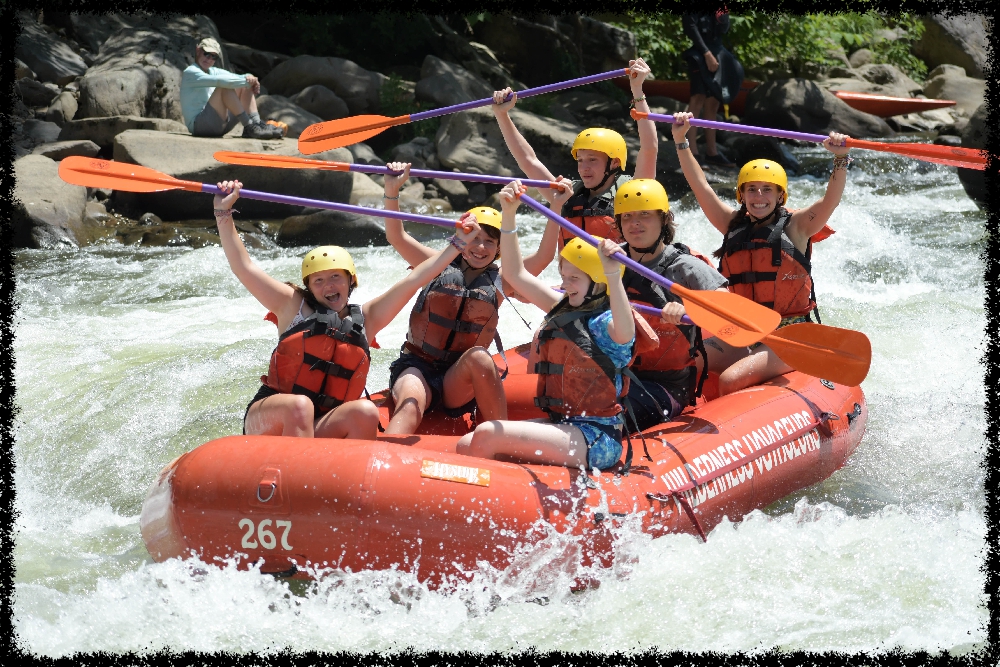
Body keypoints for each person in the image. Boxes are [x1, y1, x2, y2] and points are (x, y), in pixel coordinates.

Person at [212, 179, 487, 440]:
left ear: (350, 281)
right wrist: (223, 212)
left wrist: (458, 244)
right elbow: (244, 267)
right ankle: (294, 480)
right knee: (300, 407)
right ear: (309, 286)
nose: (328, 286)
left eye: (336, 277)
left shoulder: (366, 320)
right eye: (318, 280)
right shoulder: (291, 305)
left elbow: (415, 279)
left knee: (365, 411)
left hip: (320, 424)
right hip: (274, 417)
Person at [456, 181, 658, 472]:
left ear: (598, 283)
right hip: (562, 425)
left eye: (574, 278)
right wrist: (509, 213)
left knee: (488, 434)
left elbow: (626, 330)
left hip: (596, 438)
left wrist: (614, 274)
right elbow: (514, 273)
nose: (565, 284)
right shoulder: (564, 307)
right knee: (468, 442)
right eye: (564, 275)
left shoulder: (609, 323)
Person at [671, 111, 851, 395]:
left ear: (780, 196)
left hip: (789, 334)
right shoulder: (730, 224)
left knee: (731, 380)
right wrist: (681, 141)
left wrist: (840, 159)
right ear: (741, 195)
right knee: (686, 361)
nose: (759, 197)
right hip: (744, 329)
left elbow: (831, 200)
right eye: (751, 190)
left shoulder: (798, 226)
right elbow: (700, 186)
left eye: (767, 190)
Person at [490, 58, 658, 271]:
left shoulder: (633, 194)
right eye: (580, 160)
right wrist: (502, 115)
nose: (583, 167)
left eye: (592, 160)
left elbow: (649, 147)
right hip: (575, 290)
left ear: (614, 163)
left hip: (617, 289)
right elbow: (528, 161)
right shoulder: (566, 196)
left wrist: (637, 90)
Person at [381, 163, 511, 435]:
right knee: (410, 404)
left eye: (490, 242)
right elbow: (396, 236)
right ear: (462, 238)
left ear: (500, 249)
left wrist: (555, 208)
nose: (480, 247)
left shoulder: (503, 281)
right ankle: (382, 461)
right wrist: (392, 190)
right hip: (418, 366)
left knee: (479, 357)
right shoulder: (436, 264)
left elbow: (544, 259)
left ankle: (503, 443)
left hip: (458, 379)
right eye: (474, 238)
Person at [606, 178, 731, 431]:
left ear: (664, 219)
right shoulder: (609, 259)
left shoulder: (685, 266)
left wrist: (689, 310)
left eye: (645, 215)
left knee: (604, 415)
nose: (635, 223)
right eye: (627, 217)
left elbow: (726, 304)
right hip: (615, 376)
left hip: (667, 386)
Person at [180, 37, 282, 140]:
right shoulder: (190, 72)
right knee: (225, 86)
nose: (209, 59)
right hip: (199, 126)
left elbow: (238, 77)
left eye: (214, 56)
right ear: (198, 50)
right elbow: (220, 81)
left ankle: (256, 124)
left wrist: (251, 78)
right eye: (206, 54)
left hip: (220, 124)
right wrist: (249, 81)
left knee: (242, 85)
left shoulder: (214, 71)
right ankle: (249, 126)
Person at [681, 11, 741, 167]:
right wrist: (706, 53)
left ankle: (712, 152)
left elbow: (724, 29)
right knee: (698, 98)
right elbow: (690, 26)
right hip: (700, 53)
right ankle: (691, 152)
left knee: (713, 102)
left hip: (718, 53)